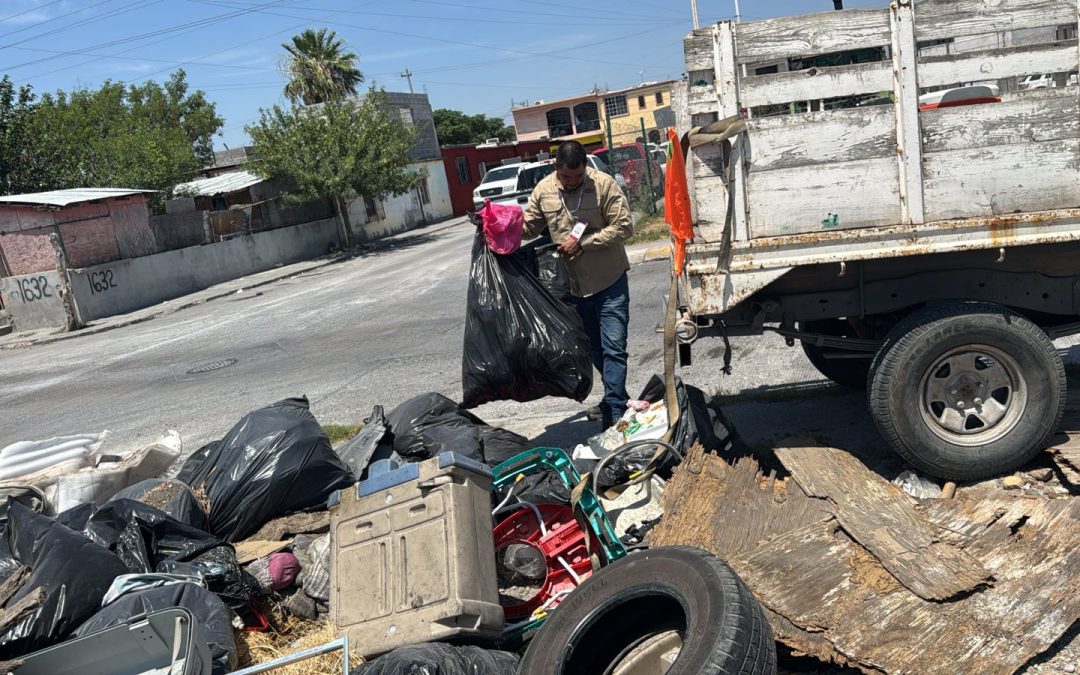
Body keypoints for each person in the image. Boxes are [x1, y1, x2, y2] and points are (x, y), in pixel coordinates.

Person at [522, 141, 634, 429]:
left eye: (578, 176)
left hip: (609, 281)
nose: (572, 182)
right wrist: (497, 224)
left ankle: (615, 412)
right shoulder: (544, 190)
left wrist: (584, 243)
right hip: (573, 289)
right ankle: (616, 397)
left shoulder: (603, 185)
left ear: (585, 167)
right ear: (556, 167)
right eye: (566, 177)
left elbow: (624, 226)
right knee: (595, 350)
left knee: (614, 347)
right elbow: (528, 228)